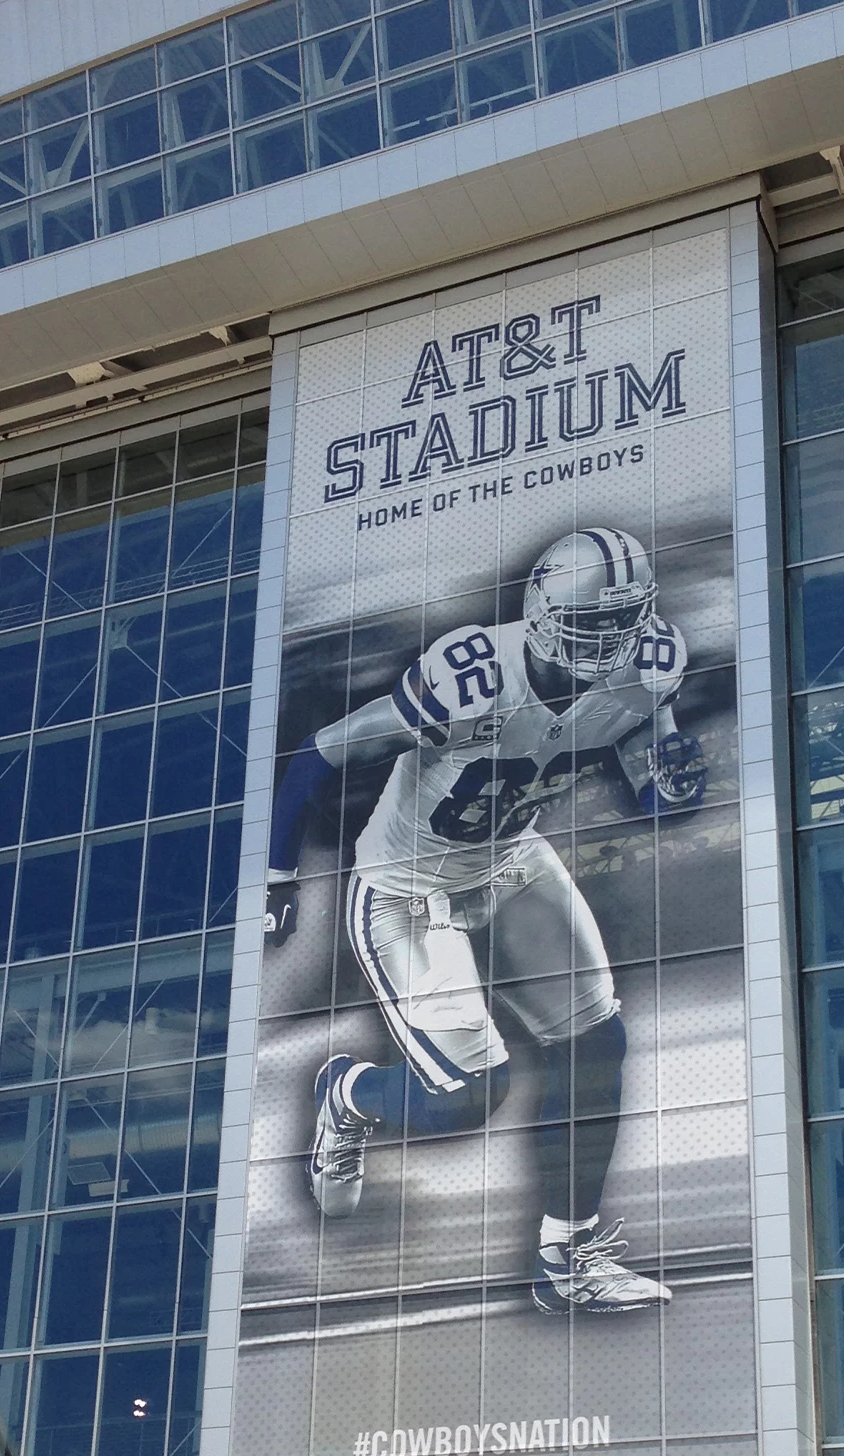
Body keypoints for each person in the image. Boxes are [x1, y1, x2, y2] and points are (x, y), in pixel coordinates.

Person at [264, 527, 708, 1313]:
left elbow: (653, 787)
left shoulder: (646, 670)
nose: (611, 644)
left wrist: (671, 786)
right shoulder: (469, 678)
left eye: (624, 622)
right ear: (540, 615)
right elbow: (319, 754)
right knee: (470, 1097)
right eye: (592, 625)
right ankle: (350, 1093)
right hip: (408, 883)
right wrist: (276, 875)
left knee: (597, 1041)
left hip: (510, 859)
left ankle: (568, 1256)